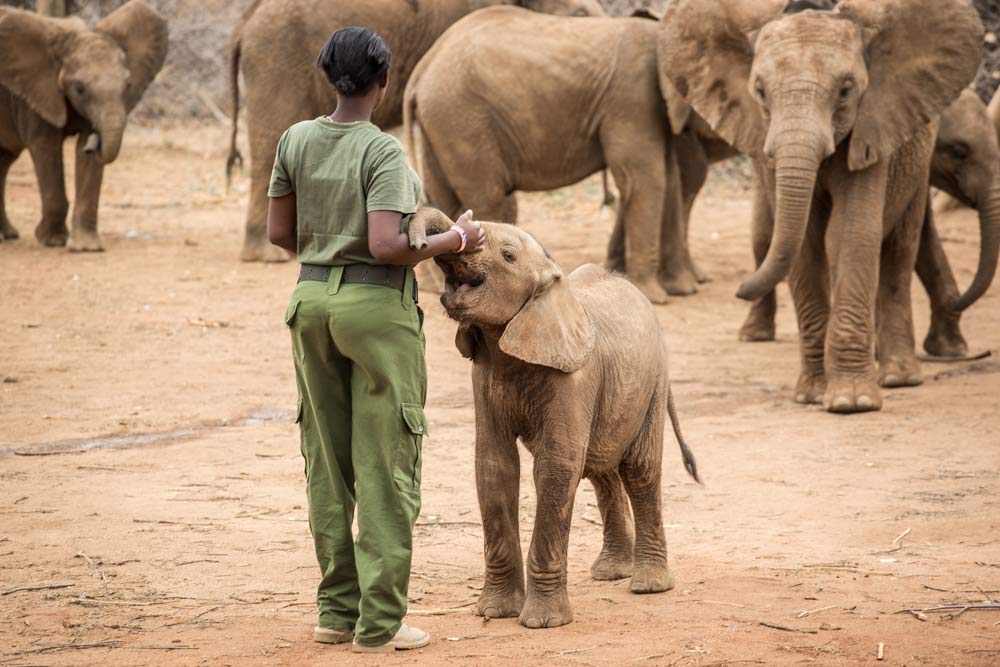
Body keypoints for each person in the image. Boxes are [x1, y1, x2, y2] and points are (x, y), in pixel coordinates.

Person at [266, 26, 483, 654]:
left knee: (327, 463)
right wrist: (455, 240)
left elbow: (281, 233)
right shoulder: (382, 152)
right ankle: (380, 622)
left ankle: (335, 612)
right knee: (386, 460)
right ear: (384, 82)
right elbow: (391, 245)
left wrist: (326, 251)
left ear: (328, 77)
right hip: (375, 307)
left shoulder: (295, 139)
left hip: (308, 302)